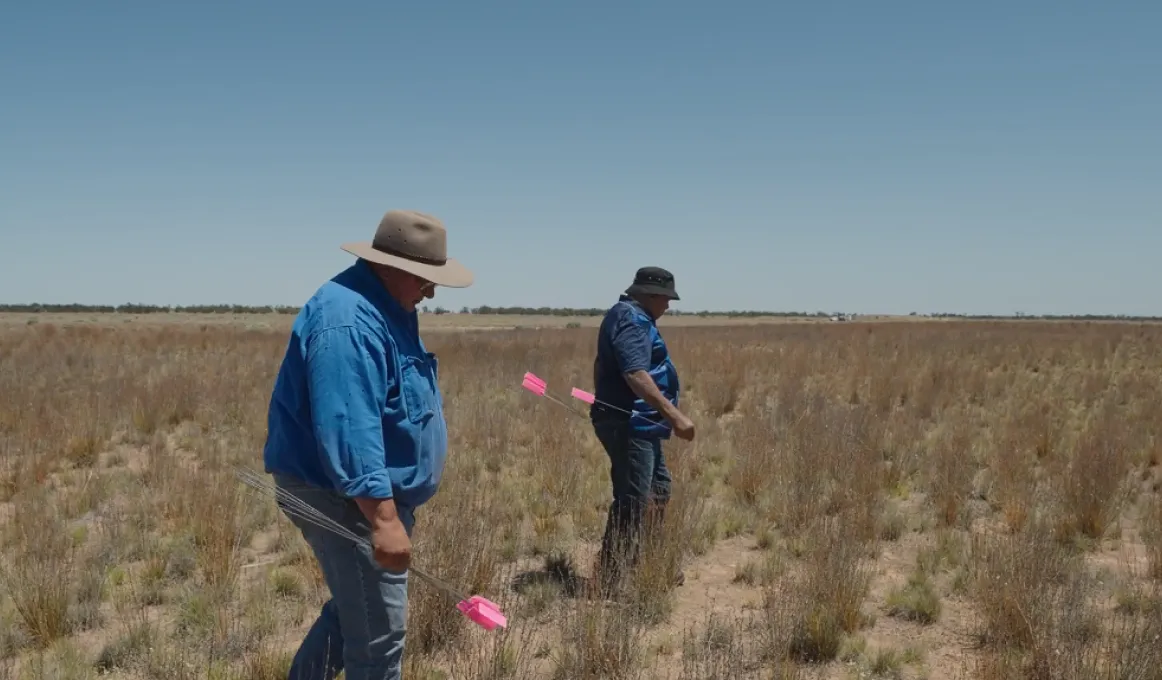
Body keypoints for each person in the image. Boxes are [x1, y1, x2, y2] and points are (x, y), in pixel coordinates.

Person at [262, 210, 472, 680]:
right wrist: (382, 517)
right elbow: (349, 425)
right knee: (378, 642)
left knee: (354, 612)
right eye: (425, 279)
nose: (430, 291)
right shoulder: (349, 321)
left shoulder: (389, 306)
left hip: (363, 495)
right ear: (393, 267)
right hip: (343, 497)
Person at [589, 266, 695, 594]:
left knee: (658, 491)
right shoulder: (630, 320)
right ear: (650, 295)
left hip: (643, 423)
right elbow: (635, 373)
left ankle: (648, 564)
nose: (668, 306)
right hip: (628, 422)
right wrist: (675, 416)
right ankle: (610, 577)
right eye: (665, 299)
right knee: (633, 500)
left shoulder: (637, 318)